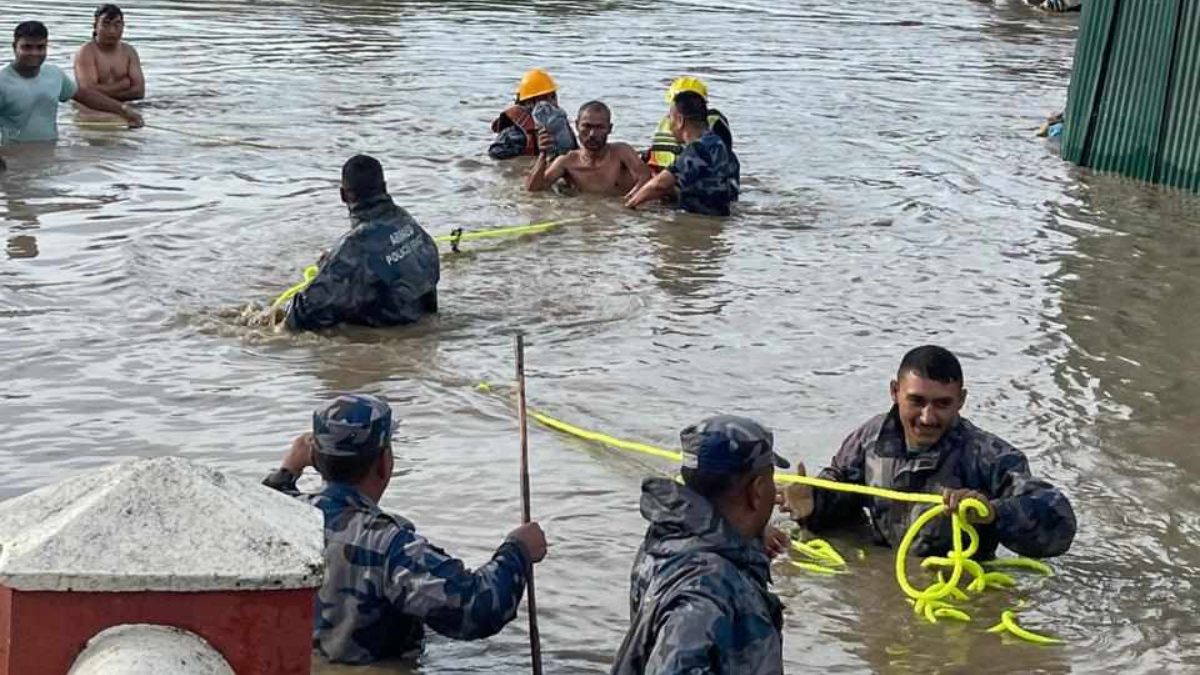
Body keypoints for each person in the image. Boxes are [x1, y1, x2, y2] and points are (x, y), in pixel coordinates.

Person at [262, 393, 548, 665]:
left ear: (316, 460)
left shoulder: (283, 515)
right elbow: (477, 610)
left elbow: (265, 499)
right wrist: (517, 551)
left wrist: (289, 467)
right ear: (384, 463)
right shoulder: (388, 544)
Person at [782, 345, 1077, 560]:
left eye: (942, 404)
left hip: (958, 592)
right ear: (895, 392)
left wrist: (993, 512)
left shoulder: (989, 456)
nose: (927, 417)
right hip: (885, 586)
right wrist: (813, 503)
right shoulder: (869, 439)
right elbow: (843, 494)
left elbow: (1059, 524)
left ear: (961, 400)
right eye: (916, 401)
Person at [610, 415, 788, 675]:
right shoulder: (706, 592)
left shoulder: (667, 541)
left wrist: (748, 543)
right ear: (758, 490)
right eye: (771, 481)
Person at [283, 155, 440, 331]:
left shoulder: (354, 245)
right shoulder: (405, 221)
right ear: (384, 187)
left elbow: (301, 314)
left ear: (343, 195)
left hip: (388, 334)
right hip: (419, 318)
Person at [0, 21, 142, 146]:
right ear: (14, 47)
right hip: (13, 154)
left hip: (50, 150)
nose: (34, 53)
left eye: (40, 47)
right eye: (27, 47)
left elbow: (85, 96)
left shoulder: (54, 74)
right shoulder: (3, 81)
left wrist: (125, 111)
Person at [625, 91, 740, 217]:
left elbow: (659, 184)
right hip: (719, 215)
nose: (669, 125)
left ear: (680, 120)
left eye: (670, 118)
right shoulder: (716, 142)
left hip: (699, 220)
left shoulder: (697, 149)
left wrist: (630, 205)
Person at [525, 100, 650, 196]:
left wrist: (629, 201)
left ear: (610, 129)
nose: (592, 134)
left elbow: (645, 177)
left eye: (599, 127)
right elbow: (534, 190)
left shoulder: (621, 152)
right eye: (587, 126)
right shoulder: (566, 162)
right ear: (577, 126)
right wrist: (542, 155)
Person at [644, 76, 732, 174]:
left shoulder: (664, 124)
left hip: (664, 177)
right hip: (680, 179)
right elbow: (725, 157)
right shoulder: (714, 122)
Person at [488, 68, 577, 160]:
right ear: (528, 103)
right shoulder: (515, 134)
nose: (551, 103)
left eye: (553, 97)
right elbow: (495, 155)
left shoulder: (560, 124)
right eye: (544, 98)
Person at [73, 4, 145, 103]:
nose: (112, 30)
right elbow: (87, 92)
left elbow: (139, 92)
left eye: (117, 24)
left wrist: (102, 93)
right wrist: (122, 85)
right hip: (93, 109)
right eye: (106, 24)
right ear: (95, 26)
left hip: (125, 107)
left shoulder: (129, 51)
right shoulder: (86, 52)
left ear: (123, 26)